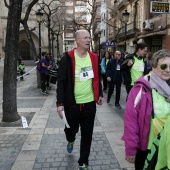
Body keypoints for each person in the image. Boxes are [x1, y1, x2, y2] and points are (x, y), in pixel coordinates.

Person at [56, 29, 104, 170]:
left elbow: (96, 77)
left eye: (89, 37)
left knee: (87, 134)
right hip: (72, 104)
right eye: (85, 38)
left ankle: (83, 162)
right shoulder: (68, 58)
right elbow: (61, 82)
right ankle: (70, 140)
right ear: (77, 40)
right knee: (71, 130)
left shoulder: (94, 57)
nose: (88, 40)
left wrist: (99, 94)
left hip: (89, 103)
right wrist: (60, 103)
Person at [122, 49, 170, 170]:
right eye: (164, 66)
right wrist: (131, 148)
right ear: (154, 66)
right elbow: (130, 121)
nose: (168, 70)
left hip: (167, 147)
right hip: (147, 149)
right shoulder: (141, 88)